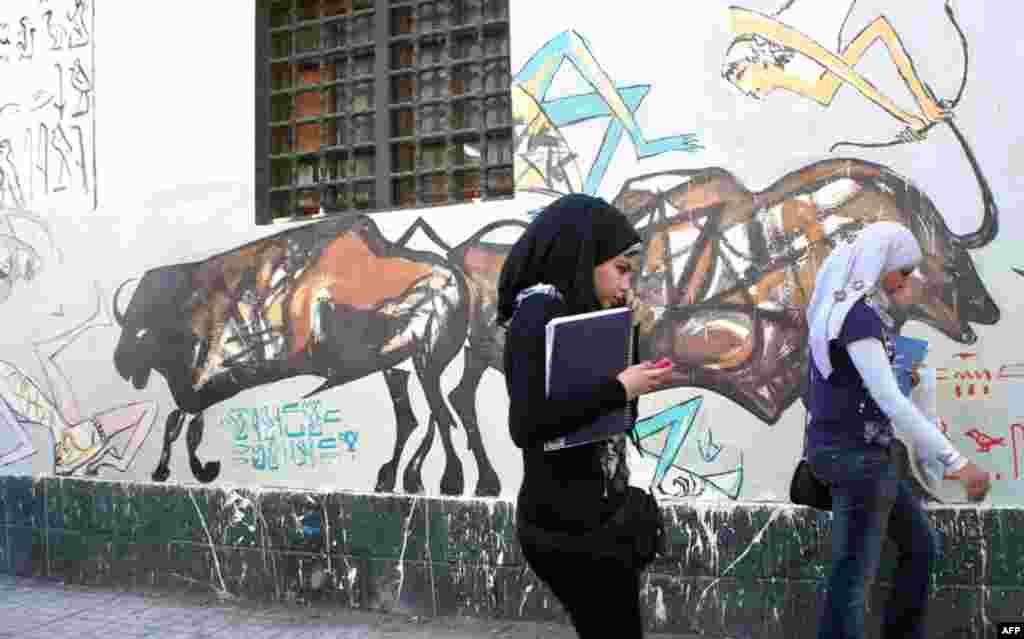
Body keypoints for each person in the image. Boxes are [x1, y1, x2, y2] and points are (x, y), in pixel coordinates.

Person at [496, 193, 674, 639]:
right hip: (565, 529)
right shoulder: (537, 313)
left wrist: (631, 342)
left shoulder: (583, 312)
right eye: (621, 269)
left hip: (596, 516)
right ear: (584, 255)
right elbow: (528, 424)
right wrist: (620, 386)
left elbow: (617, 416)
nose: (626, 286)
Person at [803, 221, 990, 639]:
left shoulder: (847, 312)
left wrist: (904, 375)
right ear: (880, 262)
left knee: (920, 549)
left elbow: (854, 385)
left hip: (862, 454)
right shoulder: (858, 318)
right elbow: (888, 400)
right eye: (903, 271)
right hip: (856, 459)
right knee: (851, 579)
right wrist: (957, 463)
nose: (907, 280)